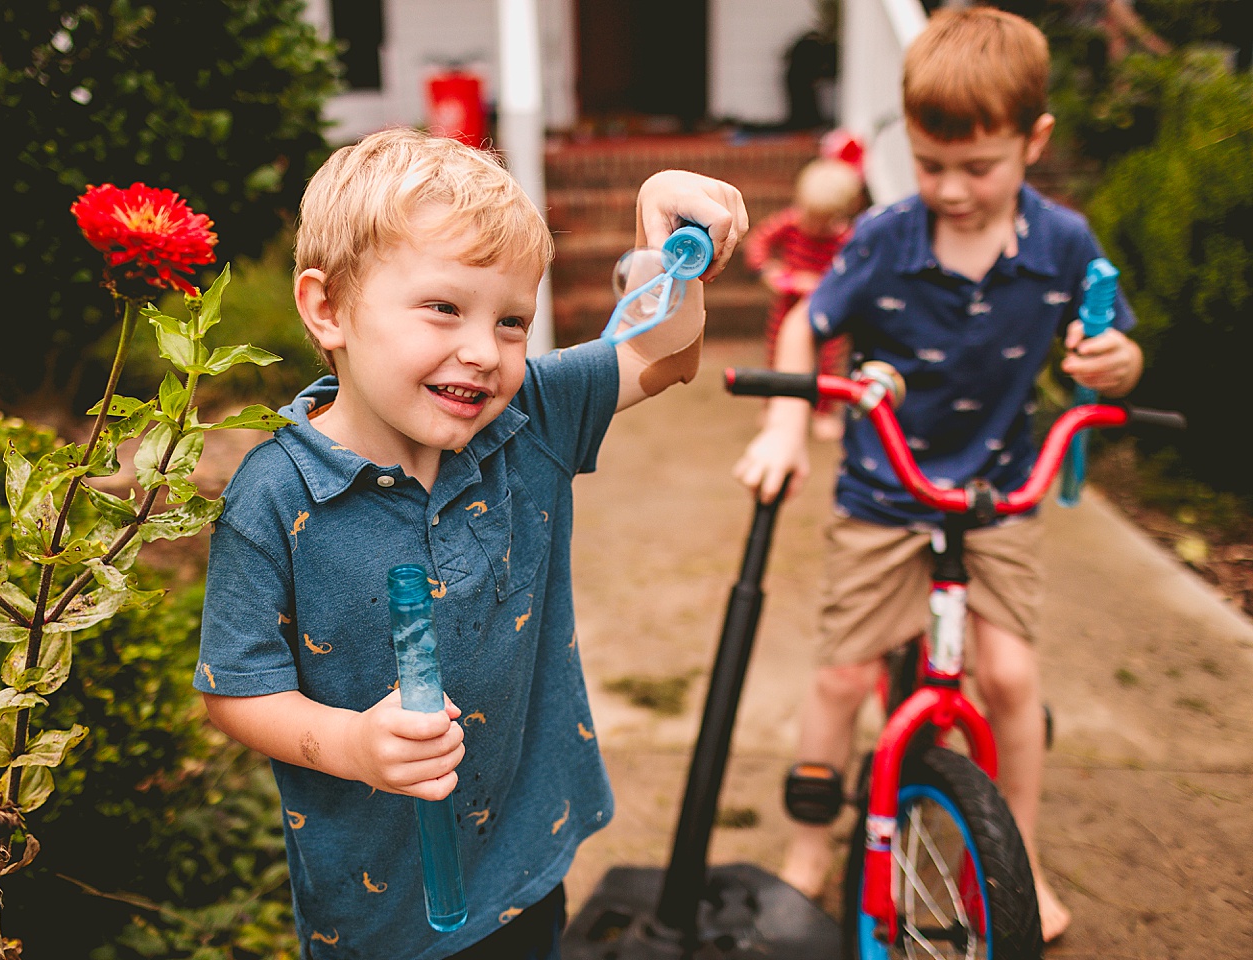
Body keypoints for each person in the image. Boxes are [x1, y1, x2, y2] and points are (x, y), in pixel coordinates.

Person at [194, 127, 747, 960]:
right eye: (445, 307)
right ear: (328, 308)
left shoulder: (528, 425)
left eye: (514, 321)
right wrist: (349, 744)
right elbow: (234, 690)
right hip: (377, 913)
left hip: (524, 860)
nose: (484, 352)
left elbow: (662, 354)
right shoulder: (274, 495)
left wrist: (666, 244)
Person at [732, 8, 1143, 944]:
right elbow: (806, 321)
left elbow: (1111, 346)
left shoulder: (1064, 244)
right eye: (930, 164)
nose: (951, 189)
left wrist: (1115, 363)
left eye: (979, 166)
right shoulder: (882, 237)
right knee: (841, 678)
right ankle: (808, 845)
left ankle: (1015, 857)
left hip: (999, 494)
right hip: (885, 492)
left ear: (1033, 141)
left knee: (1009, 674)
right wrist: (790, 418)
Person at [744, 157, 864, 442]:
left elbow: (853, 273)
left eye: (823, 221)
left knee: (828, 361)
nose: (813, 225)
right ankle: (774, 404)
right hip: (787, 305)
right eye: (809, 215)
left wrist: (826, 285)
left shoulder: (847, 239)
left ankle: (822, 411)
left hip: (828, 310)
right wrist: (768, 271)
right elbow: (758, 241)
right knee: (776, 353)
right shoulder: (791, 222)